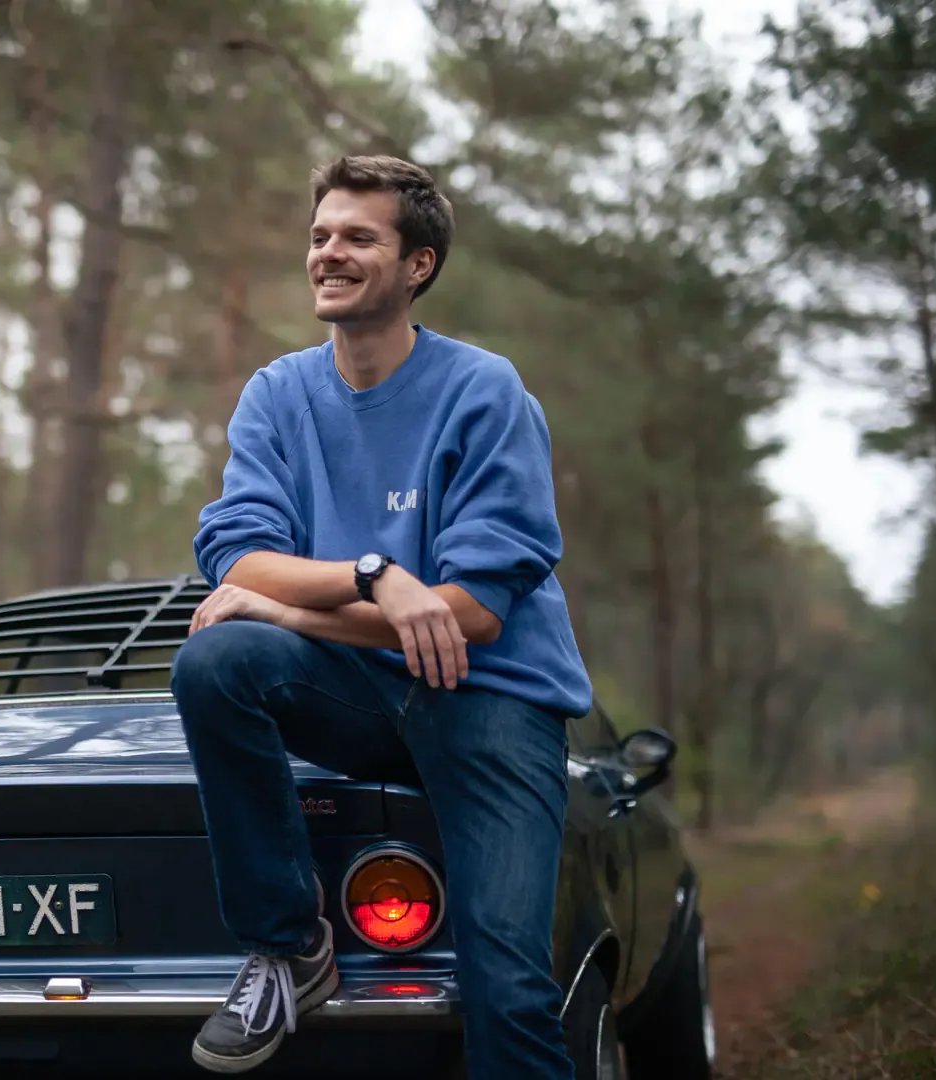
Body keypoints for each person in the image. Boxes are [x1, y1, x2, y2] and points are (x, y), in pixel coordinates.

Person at [170, 154, 594, 1078]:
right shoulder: (279, 394)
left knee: (508, 988)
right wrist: (375, 577)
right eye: (320, 235)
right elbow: (239, 560)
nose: (329, 253)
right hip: (360, 693)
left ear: (417, 265)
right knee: (215, 661)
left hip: (492, 701)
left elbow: (473, 615)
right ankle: (288, 946)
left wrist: (297, 613)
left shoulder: (484, 391)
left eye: (359, 237)